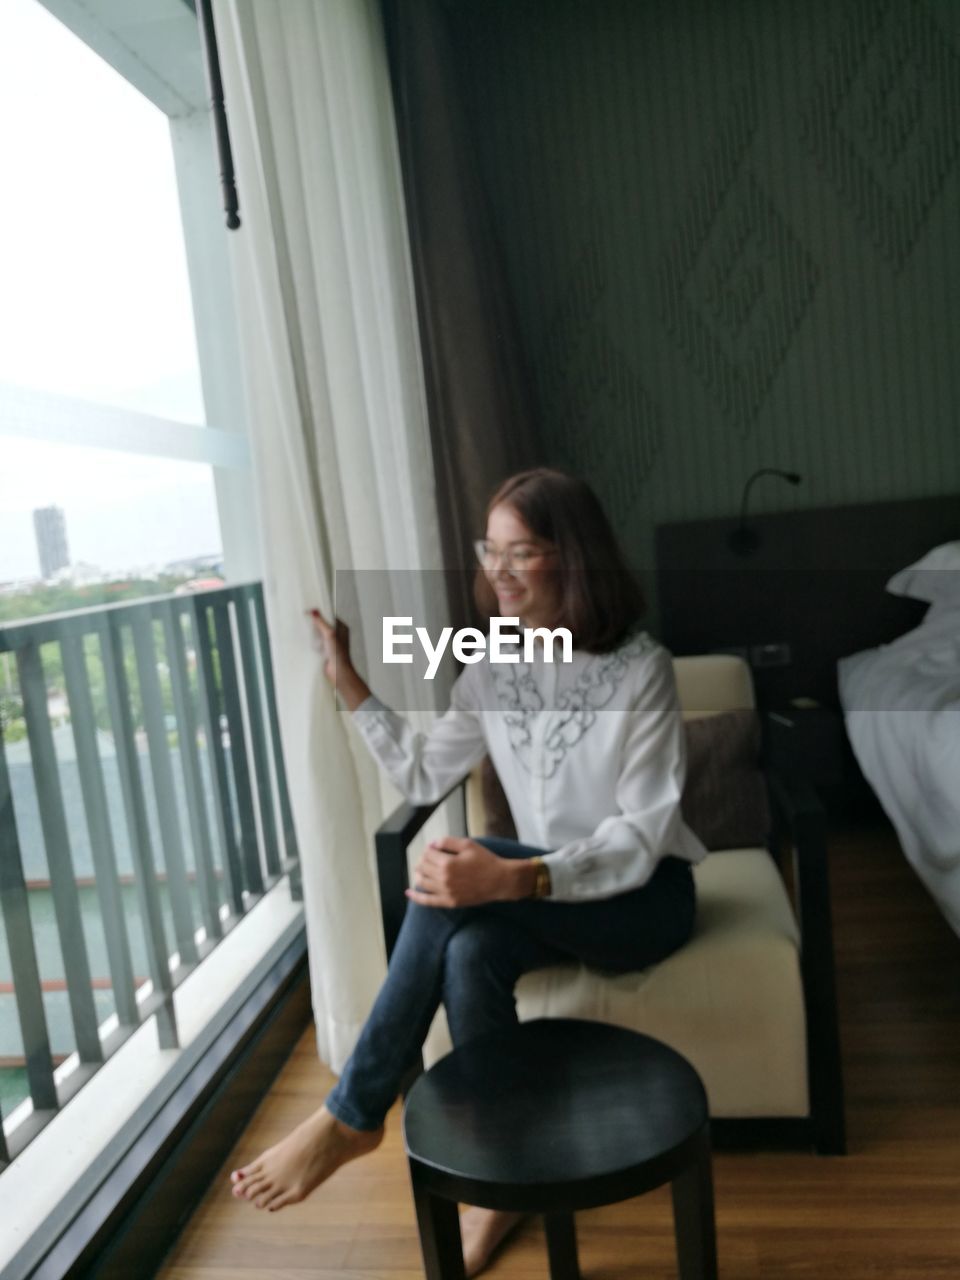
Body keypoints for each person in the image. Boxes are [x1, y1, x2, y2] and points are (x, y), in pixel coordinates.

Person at [230, 467, 707, 1275]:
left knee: (465, 867)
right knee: (466, 949)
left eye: (524, 552)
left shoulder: (641, 669)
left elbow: (643, 834)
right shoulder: (491, 671)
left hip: (643, 901)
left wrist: (518, 879)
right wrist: (348, 681)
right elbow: (421, 777)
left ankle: (355, 1110)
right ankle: (502, 1177)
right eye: (491, 552)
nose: (500, 571)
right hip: (554, 905)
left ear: (573, 558)